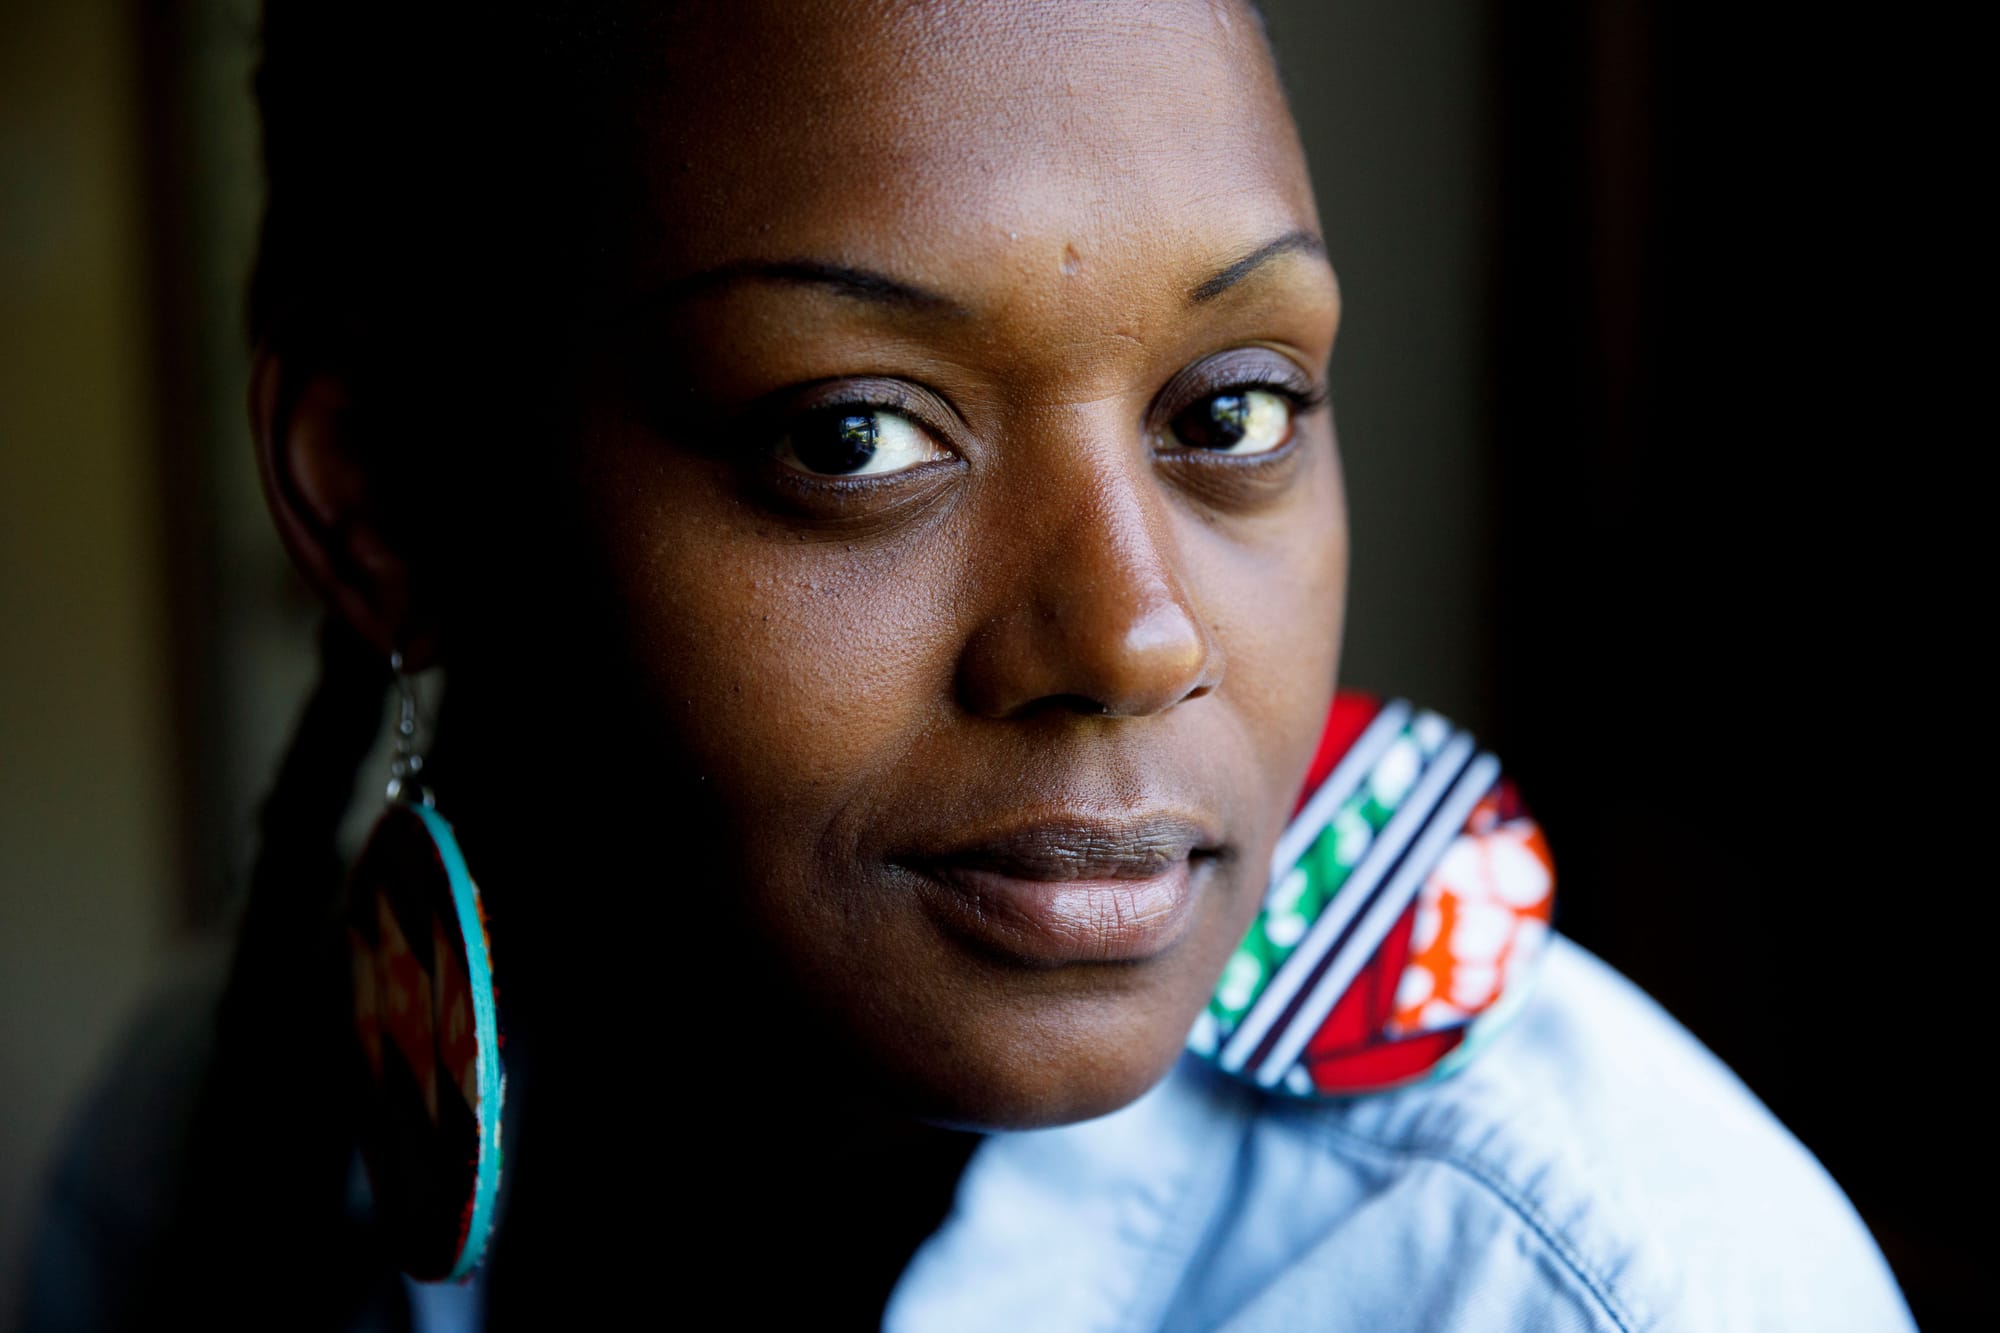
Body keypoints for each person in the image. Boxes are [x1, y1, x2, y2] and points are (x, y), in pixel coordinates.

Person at [22, 3, 1914, 1330]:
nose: (1133, 631)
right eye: (853, 437)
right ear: (378, 497)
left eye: (1234, 404)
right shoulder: (212, 1134)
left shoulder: (1600, 1285)